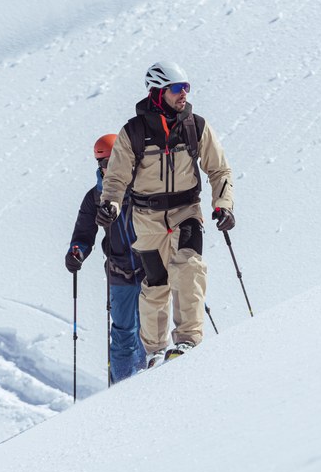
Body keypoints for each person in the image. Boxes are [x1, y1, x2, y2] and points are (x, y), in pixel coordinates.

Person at [96, 61, 235, 367]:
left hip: (187, 211)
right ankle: (156, 352)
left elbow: (219, 168)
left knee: (189, 268)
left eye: (186, 87)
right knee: (155, 284)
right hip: (147, 219)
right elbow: (116, 178)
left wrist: (223, 204)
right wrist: (111, 204)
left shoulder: (196, 126)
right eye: (176, 88)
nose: (183, 94)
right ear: (158, 92)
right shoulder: (133, 132)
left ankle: (187, 340)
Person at [66, 133, 147, 384]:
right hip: (120, 272)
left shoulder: (144, 186)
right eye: (104, 163)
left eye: (114, 161)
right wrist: (76, 252)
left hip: (151, 268)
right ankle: (122, 388)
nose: (109, 167)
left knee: (150, 329)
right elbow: (83, 233)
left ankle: (149, 381)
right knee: (124, 333)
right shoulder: (94, 197)